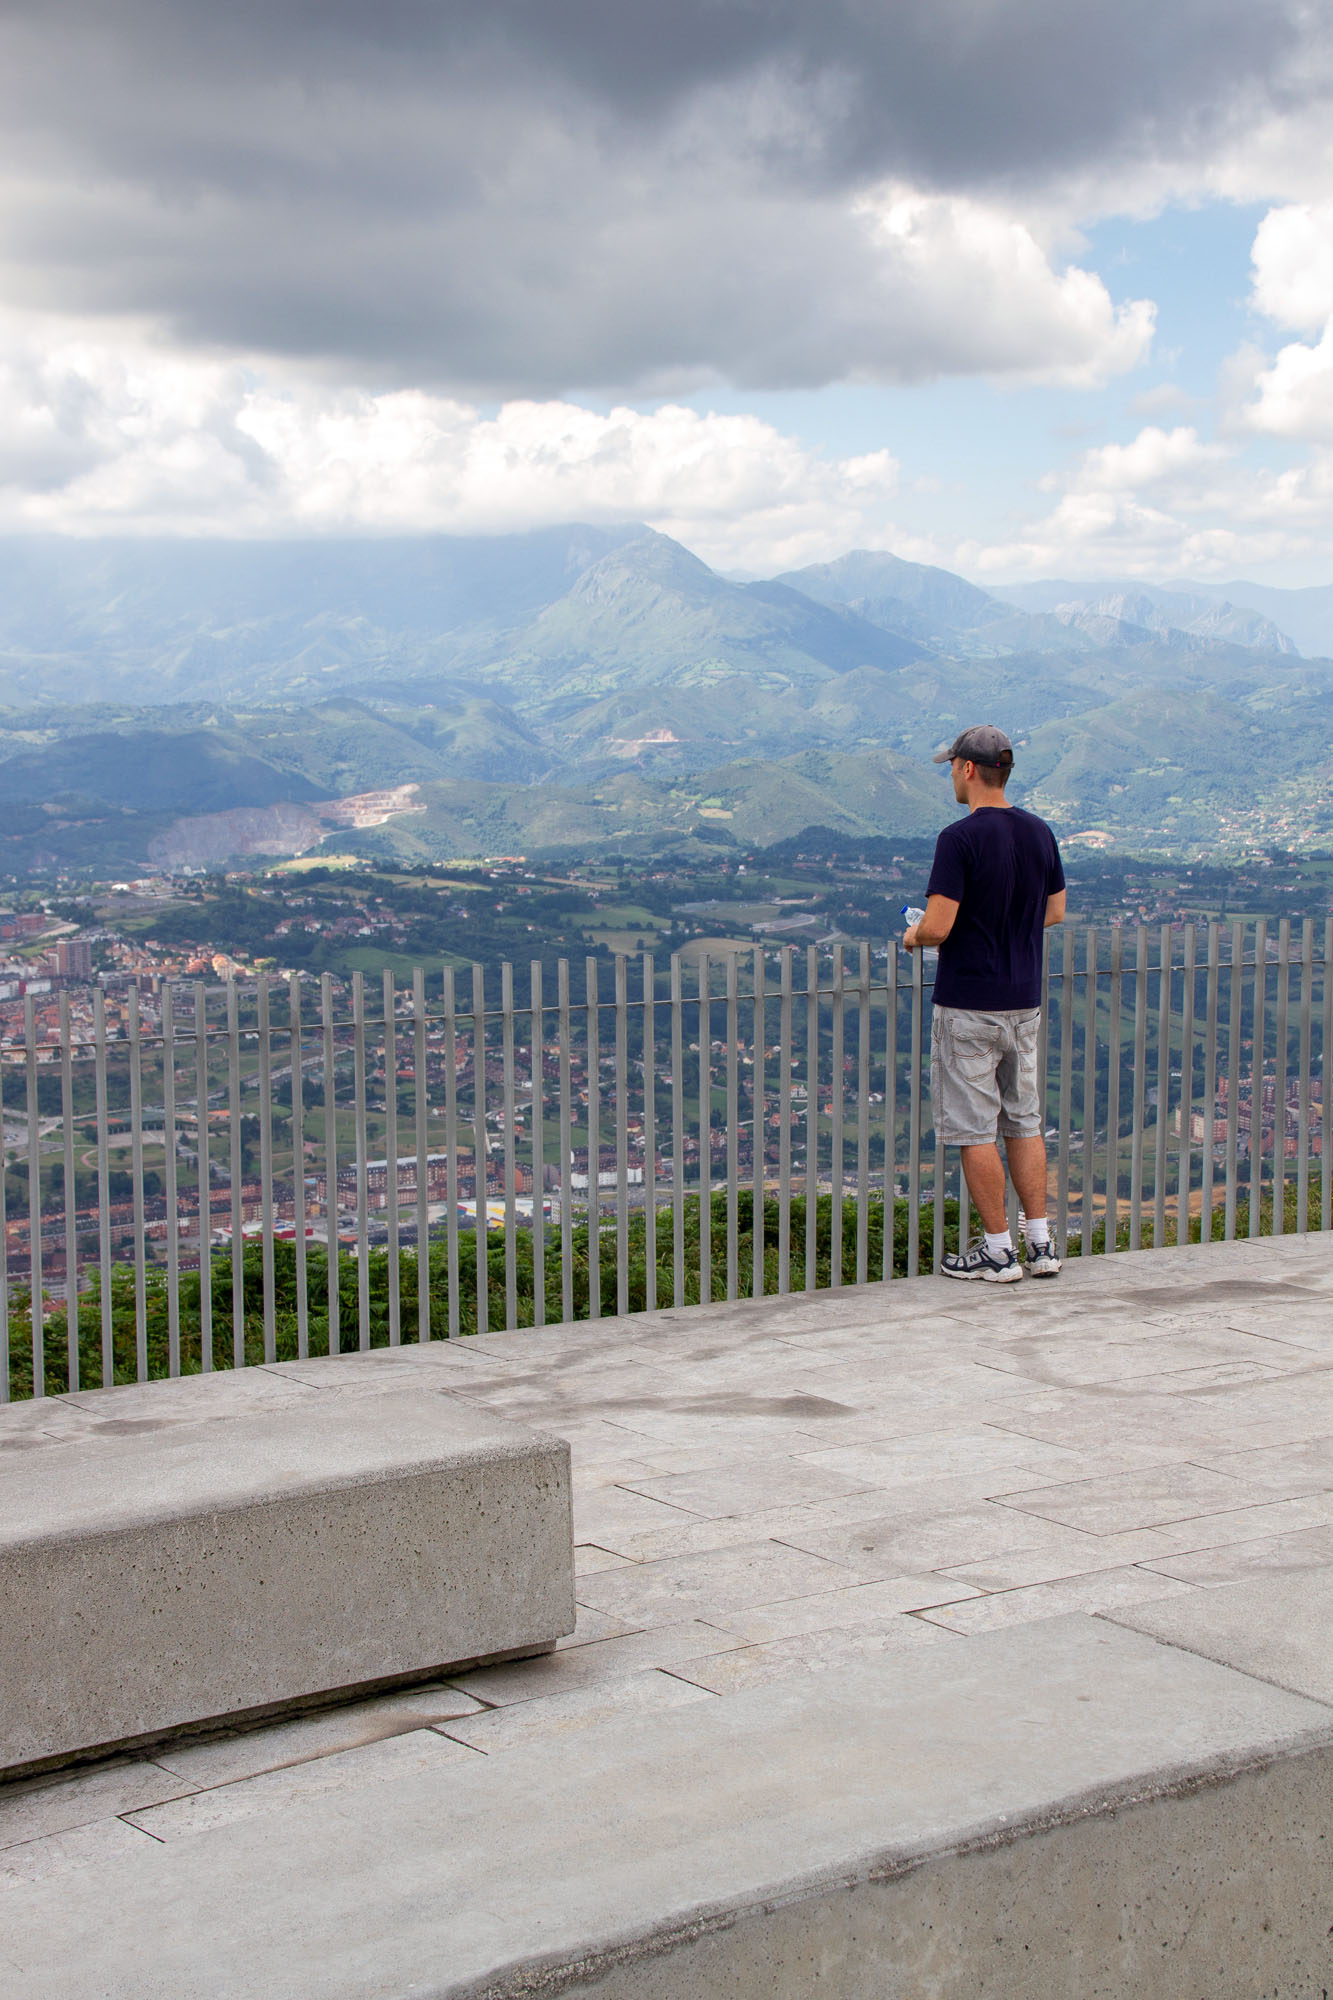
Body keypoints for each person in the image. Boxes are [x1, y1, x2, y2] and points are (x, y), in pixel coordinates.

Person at [903, 724, 1066, 1282]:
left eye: (951, 766)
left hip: (970, 1005)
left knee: (975, 1130)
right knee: (1024, 1123)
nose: (951, 774)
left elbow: (939, 927)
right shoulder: (1040, 832)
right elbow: (1054, 911)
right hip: (1024, 1002)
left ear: (968, 769)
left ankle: (998, 1251)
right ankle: (1040, 1245)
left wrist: (912, 935)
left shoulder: (959, 838)